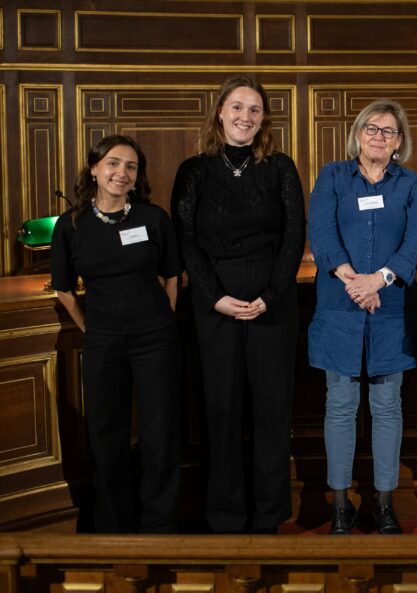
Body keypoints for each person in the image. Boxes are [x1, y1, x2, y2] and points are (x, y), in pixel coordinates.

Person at [172, 75, 305, 534]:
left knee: (272, 408)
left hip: (273, 296)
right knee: (221, 409)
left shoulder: (280, 167)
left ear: (263, 118)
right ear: (220, 112)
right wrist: (214, 297)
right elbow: (185, 240)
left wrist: (271, 295)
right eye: (237, 107)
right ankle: (225, 515)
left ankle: (269, 514)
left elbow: (294, 235)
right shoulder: (195, 170)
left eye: (254, 109)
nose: (245, 116)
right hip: (215, 297)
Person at [51, 135, 181, 533]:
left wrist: (165, 317)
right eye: (113, 163)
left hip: (155, 339)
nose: (121, 173)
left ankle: (159, 526)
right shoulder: (71, 225)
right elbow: (64, 289)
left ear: (137, 176)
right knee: (107, 436)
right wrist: (90, 328)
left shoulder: (152, 218)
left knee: (160, 434)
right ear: (94, 169)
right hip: (103, 341)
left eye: (130, 167)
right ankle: (113, 528)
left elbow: (172, 275)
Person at [307, 98, 417, 536]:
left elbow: (414, 242)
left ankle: (384, 504)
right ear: (358, 134)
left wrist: (379, 280)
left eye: (388, 131)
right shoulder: (333, 176)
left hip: (389, 308)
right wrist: (355, 281)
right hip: (339, 307)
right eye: (372, 129)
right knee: (340, 404)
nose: (379, 137)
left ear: (399, 142)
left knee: (387, 406)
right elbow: (322, 234)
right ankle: (341, 505)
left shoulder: (410, 184)